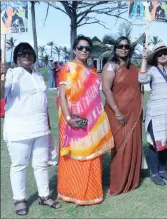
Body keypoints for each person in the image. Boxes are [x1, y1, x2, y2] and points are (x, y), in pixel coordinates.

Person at [0, 42, 60, 216]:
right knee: (19, 165)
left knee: (41, 164)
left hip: (40, 128)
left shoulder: (37, 75)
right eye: (22, 53)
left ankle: (44, 195)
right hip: (18, 130)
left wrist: (47, 128)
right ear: (16, 57)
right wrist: (1, 76)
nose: (26, 55)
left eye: (29, 53)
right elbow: (1, 95)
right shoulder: (11, 74)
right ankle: (20, 199)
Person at [57, 35, 114, 205]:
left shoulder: (93, 70)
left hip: (93, 121)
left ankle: (92, 192)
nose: (84, 51)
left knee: (93, 155)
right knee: (75, 155)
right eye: (80, 48)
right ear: (74, 49)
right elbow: (62, 96)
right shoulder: (67, 68)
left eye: (87, 48)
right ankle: (73, 191)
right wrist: (68, 119)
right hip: (75, 119)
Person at [102, 36, 146, 196]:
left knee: (133, 145)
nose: (123, 49)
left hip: (134, 113)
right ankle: (118, 184)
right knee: (120, 147)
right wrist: (117, 112)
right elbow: (106, 89)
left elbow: (140, 87)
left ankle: (131, 181)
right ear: (115, 48)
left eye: (127, 47)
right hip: (117, 114)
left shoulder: (133, 67)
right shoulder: (110, 66)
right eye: (120, 46)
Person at [139, 42, 167, 186]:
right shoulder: (152, 70)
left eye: (165, 53)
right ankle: (154, 173)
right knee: (155, 144)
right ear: (155, 57)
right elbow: (142, 79)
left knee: (166, 142)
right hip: (156, 113)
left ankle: (163, 170)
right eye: (159, 54)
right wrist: (144, 59)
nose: (163, 55)